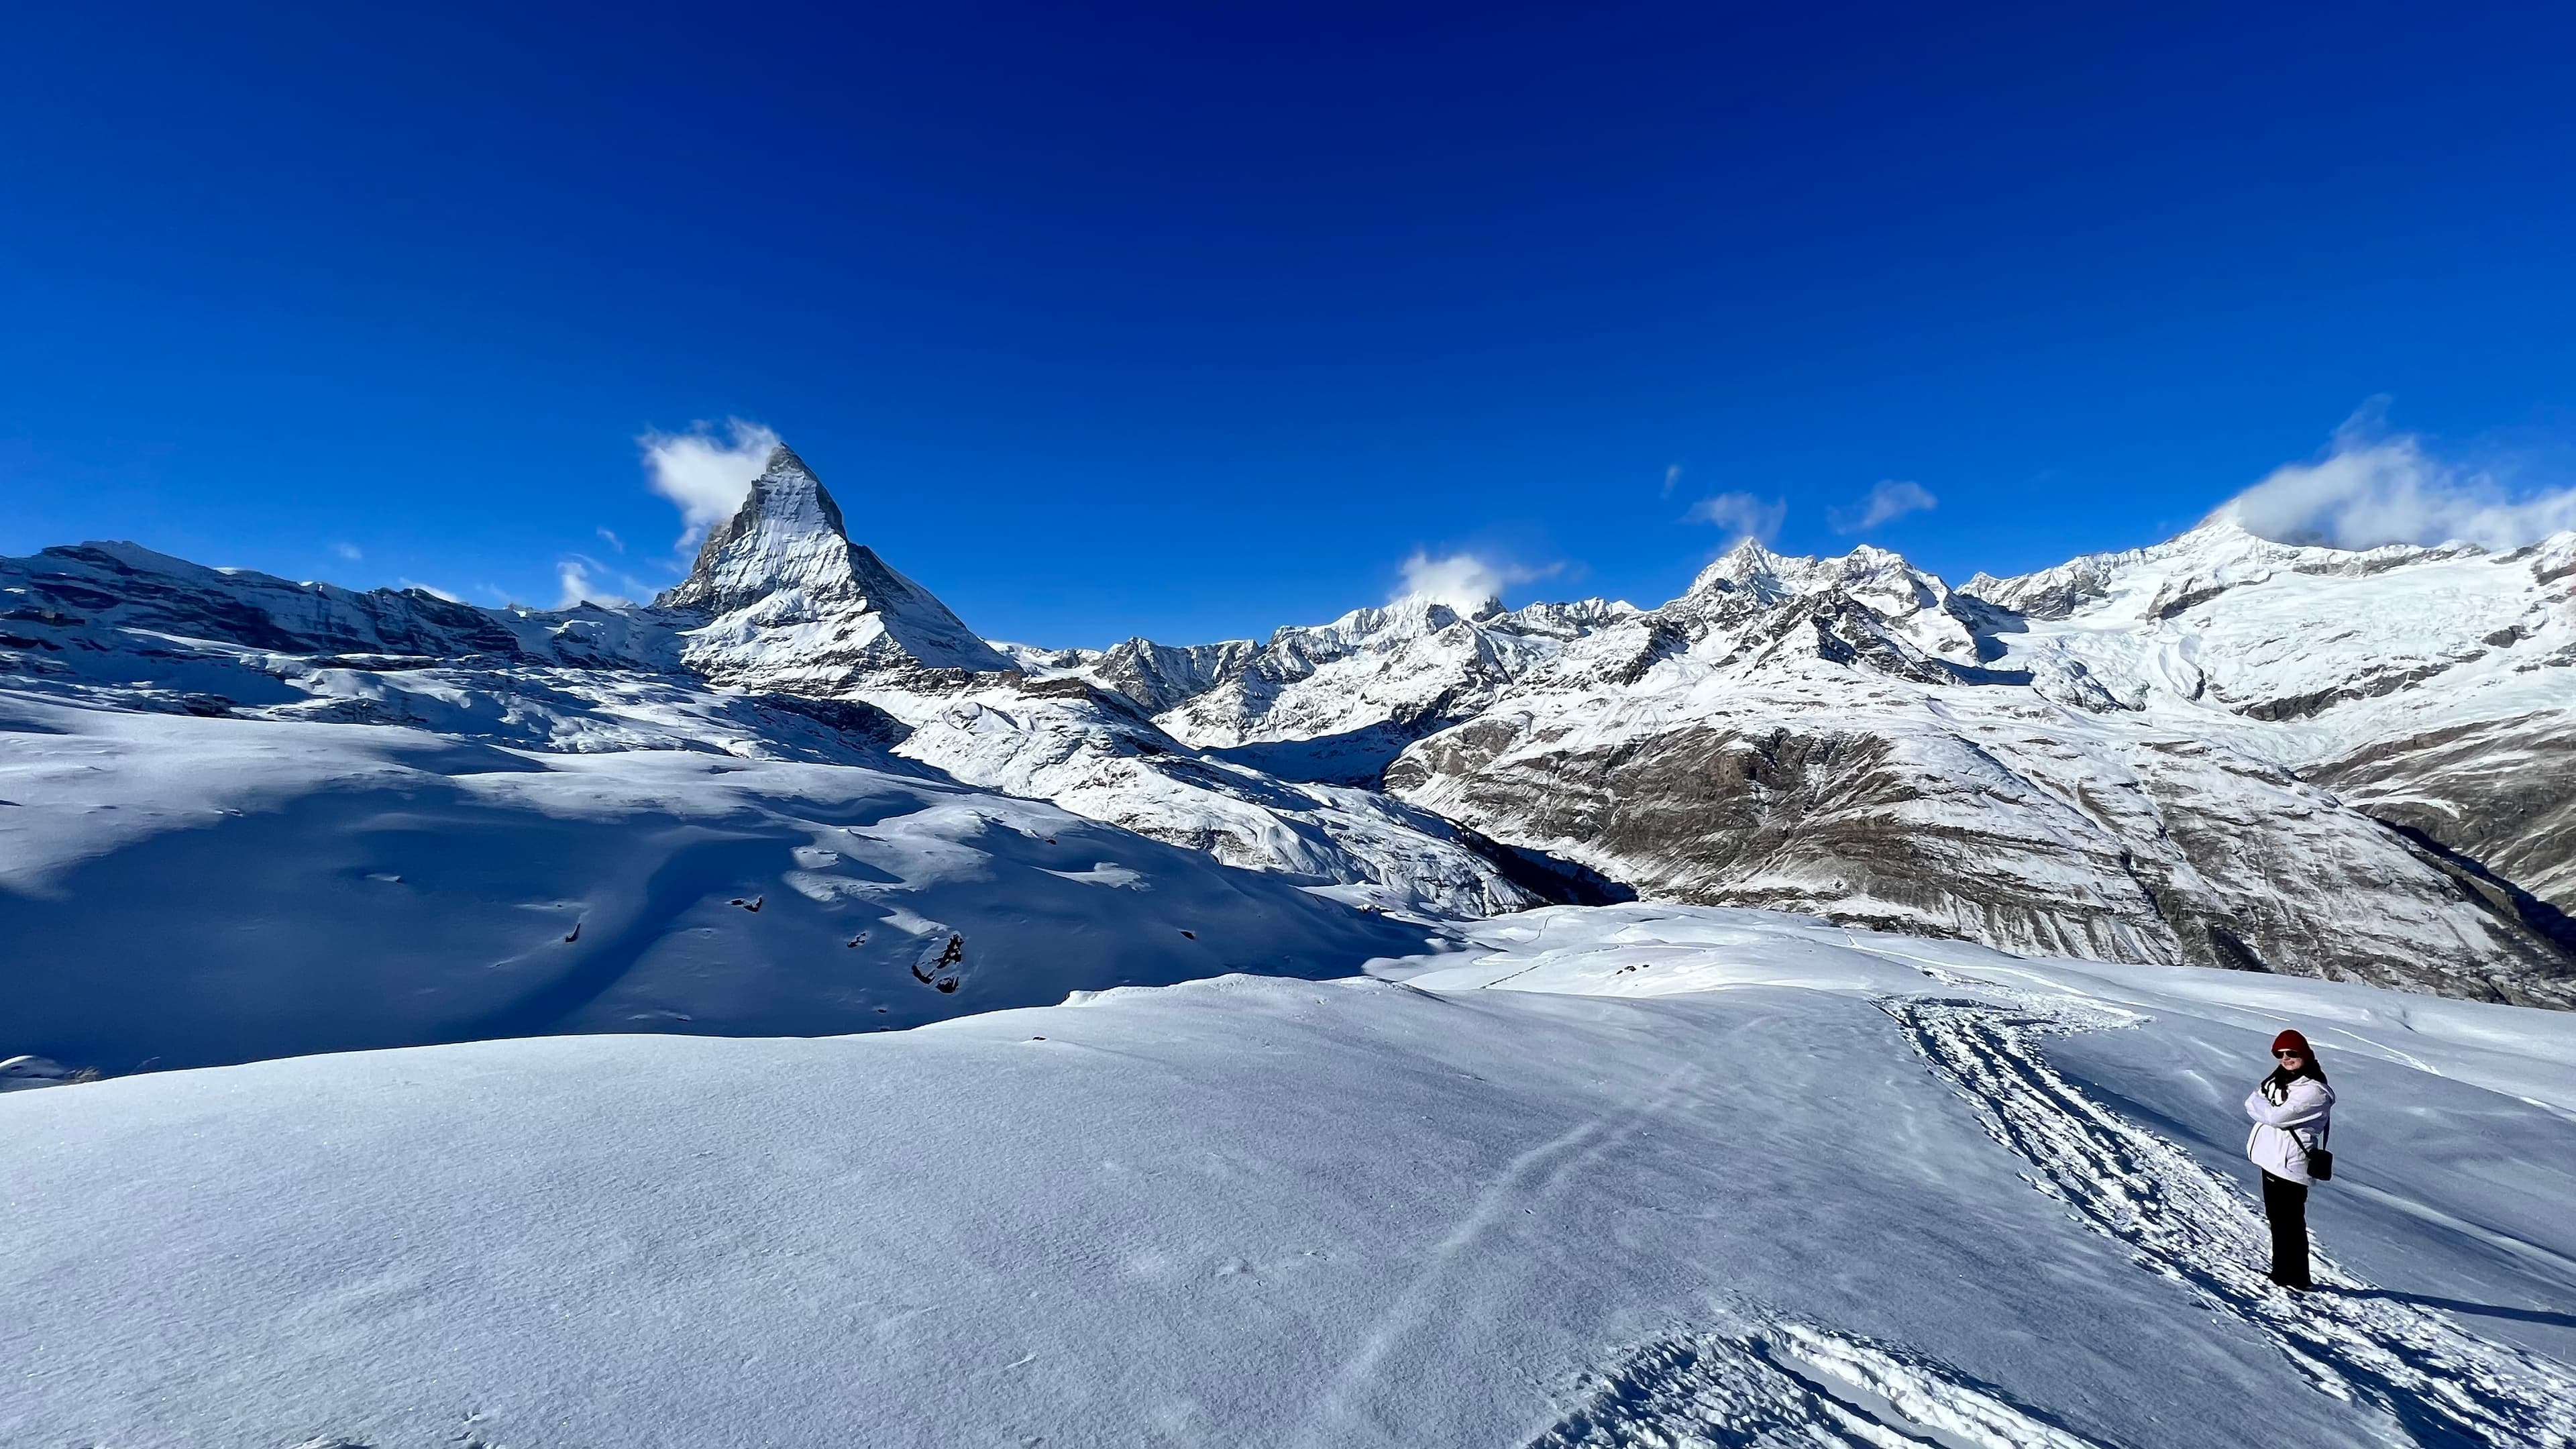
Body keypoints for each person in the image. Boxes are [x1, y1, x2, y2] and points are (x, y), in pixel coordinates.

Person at [2244, 1028, 2334, 1291]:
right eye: (2280, 1054)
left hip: (2290, 1163)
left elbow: (2276, 1117)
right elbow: (2251, 1102)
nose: (2286, 1058)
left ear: (2304, 1053)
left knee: (2290, 1223)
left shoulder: (2315, 1091)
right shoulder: (2281, 1080)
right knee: (2278, 1220)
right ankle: (2282, 1272)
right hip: (2272, 1158)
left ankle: (2295, 1278)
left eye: (2292, 1053)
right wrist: (2269, 1107)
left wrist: (2269, 1107)